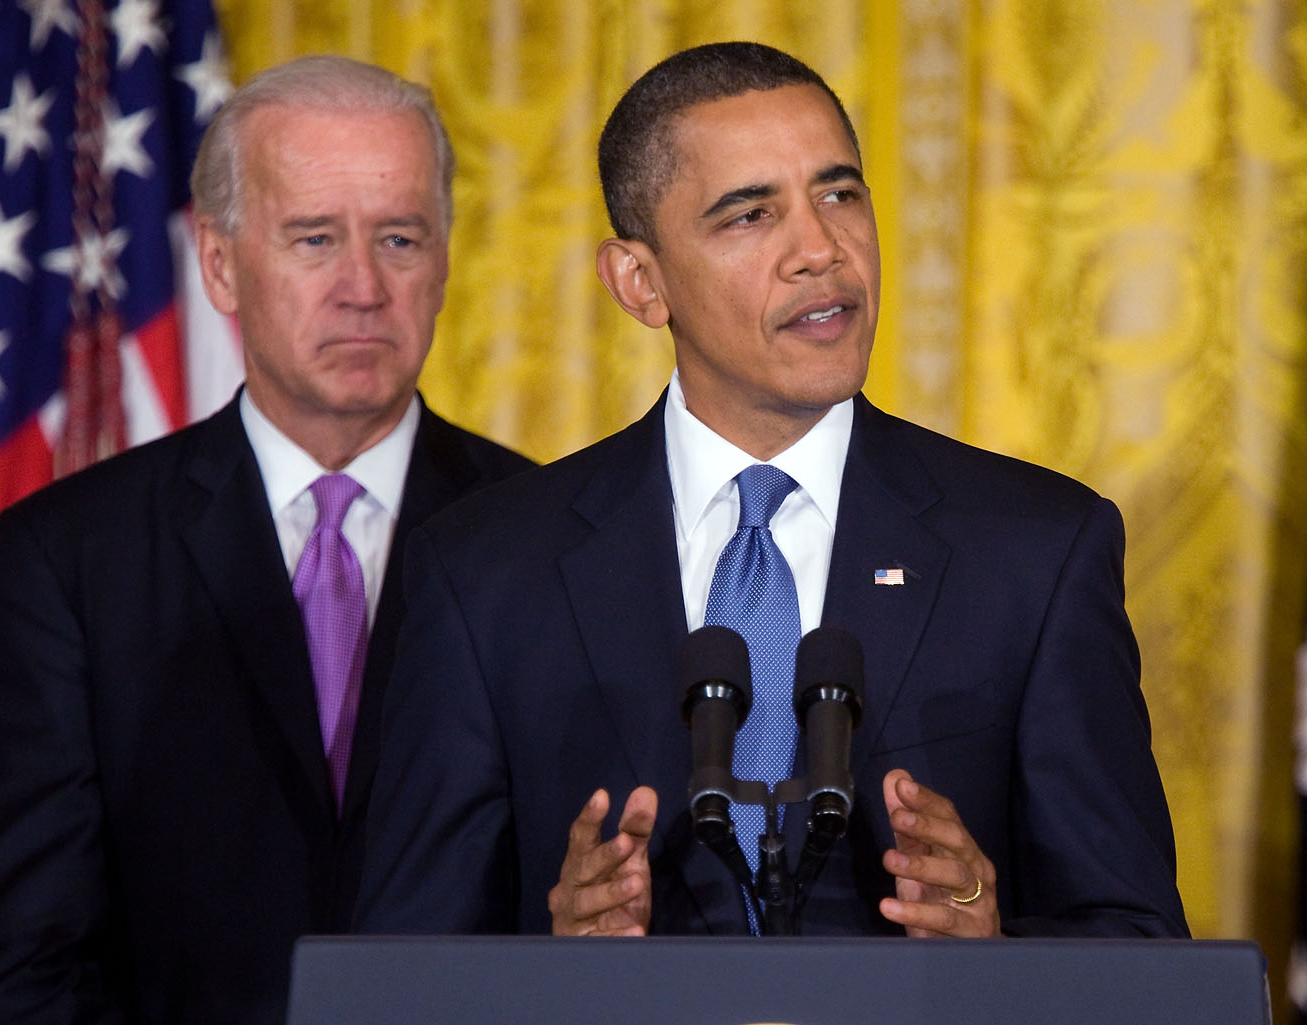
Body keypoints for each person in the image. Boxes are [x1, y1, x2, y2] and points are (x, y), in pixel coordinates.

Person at [0, 56, 532, 1025]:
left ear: (444, 260)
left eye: (401, 236)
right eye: (314, 238)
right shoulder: (71, 557)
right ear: (220, 264)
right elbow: (25, 965)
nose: (364, 284)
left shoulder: (554, 543)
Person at [358, 41, 1186, 942]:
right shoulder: (485, 574)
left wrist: (990, 950)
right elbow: (407, 981)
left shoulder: (1037, 553)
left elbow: (1138, 944)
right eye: (750, 215)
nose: (821, 249)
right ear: (640, 282)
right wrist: (558, 963)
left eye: (840, 193)